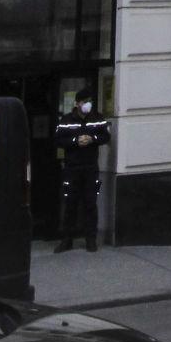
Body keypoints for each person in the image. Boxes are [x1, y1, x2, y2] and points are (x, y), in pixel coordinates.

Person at [53, 94, 110, 253]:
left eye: (90, 101)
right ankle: (67, 240)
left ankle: (90, 239)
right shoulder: (66, 120)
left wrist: (92, 139)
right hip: (72, 168)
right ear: (77, 103)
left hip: (90, 168)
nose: (88, 104)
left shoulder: (97, 118)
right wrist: (75, 141)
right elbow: (58, 140)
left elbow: (106, 136)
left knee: (90, 204)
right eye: (85, 102)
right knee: (70, 204)